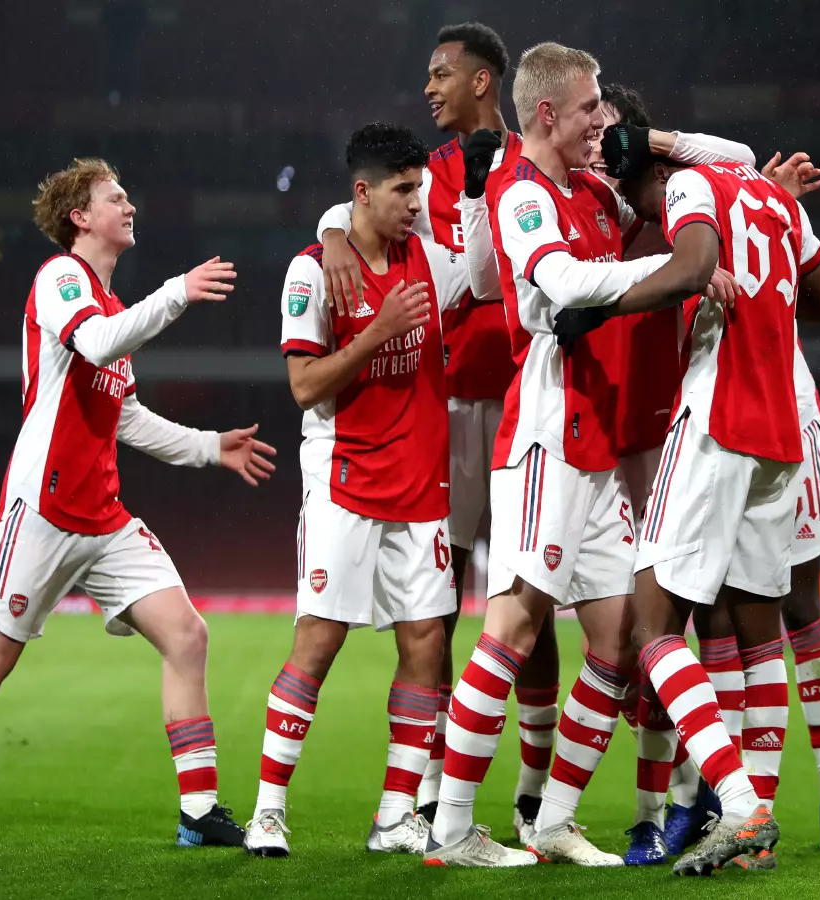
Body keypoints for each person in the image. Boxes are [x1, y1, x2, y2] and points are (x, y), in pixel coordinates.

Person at [0, 158, 276, 848]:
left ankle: (197, 813)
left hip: (104, 517)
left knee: (187, 635)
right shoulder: (62, 278)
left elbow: (125, 418)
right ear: (80, 217)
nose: (130, 205)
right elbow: (95, 342)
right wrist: (178, 293)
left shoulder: (115, 309)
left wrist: (210, 446)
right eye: (114, 197)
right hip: (41, 510)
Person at [422, 42, 742, 869]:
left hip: (597, 443)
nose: (606, 119)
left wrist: (661, 143)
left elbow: (734, 162)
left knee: (621, 638)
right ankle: (451, 830)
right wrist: (667, 272)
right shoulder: (522, 191)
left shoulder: (593, 189)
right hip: (545, 436)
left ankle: (554, 819)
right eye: (594, 105)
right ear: (550, 114)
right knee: (516, 624)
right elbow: (555, 283)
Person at [312, 24, 563, 841]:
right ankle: (423, 783)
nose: (428, 87)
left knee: (532, 593)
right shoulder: (432, 171)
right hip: (447, 406)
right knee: (439, 599)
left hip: (530, 399)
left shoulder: (538, 159)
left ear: (484, 81)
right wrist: (331, 230)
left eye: (441, 74)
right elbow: (362, 199)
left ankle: (532, 784)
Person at [606, 118, 820, 874]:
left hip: (717, 422)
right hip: (783, 432)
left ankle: (739, 806)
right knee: (757, 634)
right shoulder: (770, 197)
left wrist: (609, 300)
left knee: (651, 628)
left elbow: (693, 262)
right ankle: (753, 826)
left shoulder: (687, 185)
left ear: (643, 172)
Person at [243, 123, 483, 859]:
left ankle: (394, 813)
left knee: (424, 646)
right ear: (362, 193)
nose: (416, 202)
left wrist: (469, 195)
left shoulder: (432, 261)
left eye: (421, 188)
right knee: (318, 641)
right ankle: (268, 811)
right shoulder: (313, 272)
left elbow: (493, 274)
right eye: (403, 190)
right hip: (344, 480)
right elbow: (304, 386)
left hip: (422, 488)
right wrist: (378, 330)